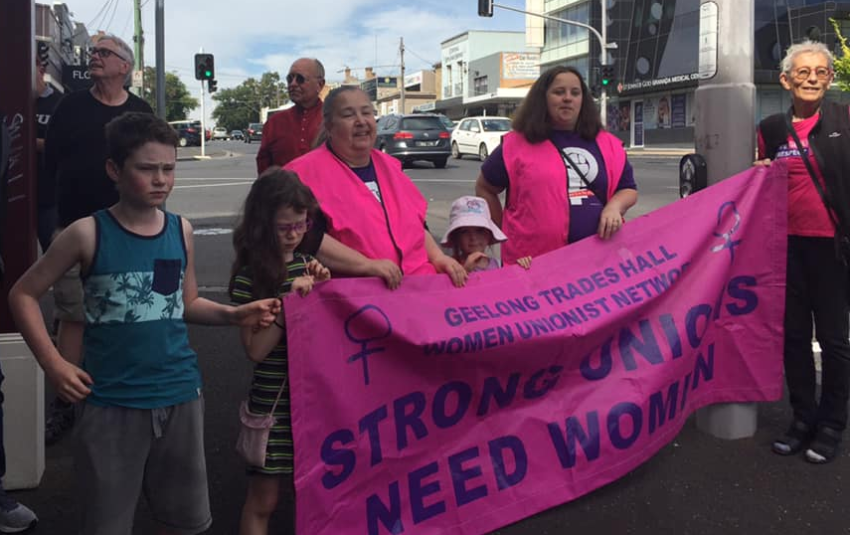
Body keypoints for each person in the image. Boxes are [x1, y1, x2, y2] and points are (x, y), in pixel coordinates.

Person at [9, 112, 281, 534]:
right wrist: (54, 364)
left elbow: (183, 302)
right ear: (114, 170)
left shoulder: (181, 230)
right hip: (112, 404)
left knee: (185, 521)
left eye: (168, 169)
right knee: (107, 522)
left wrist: (233, 314)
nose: (161, 180)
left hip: (180, 396)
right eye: (147, 169)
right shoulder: (86, 234)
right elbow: (23, 294)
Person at [43, 33, 153, 445]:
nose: (95, 57)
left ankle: (120, 392)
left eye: (104, 53)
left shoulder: (140, 112)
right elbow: (51, 161)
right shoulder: (70, 105)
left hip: (128, 228)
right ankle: (65, 403)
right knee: (72, 315)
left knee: (127, 310)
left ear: (124, 66)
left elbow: (154, 162)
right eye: (94, 52)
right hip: (73, 225)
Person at [755, 40, 850, 464]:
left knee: (833, 341)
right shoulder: (772, 128)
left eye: (821, 72)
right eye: (804, 71)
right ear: (785, 79)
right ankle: (801, 419)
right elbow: (758, 183)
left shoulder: (845, 119)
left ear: (830, 78)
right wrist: (757, 173)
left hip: (833, 249)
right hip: (784, 249)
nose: (812, 78)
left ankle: (831, 425)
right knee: (793, 338)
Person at [230, 170, 331, 535]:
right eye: (284, 227)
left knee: (319, 495)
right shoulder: (250, 277)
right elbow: (255, 351)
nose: (293, 234)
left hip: (314, 401)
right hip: (274, 404)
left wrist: (322, 291)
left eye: (301, 225)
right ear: (261, 226)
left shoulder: (307, 265)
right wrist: (292, 304)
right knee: (264, 500)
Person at [286, 85, 467, 288]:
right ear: (329, 126)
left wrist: (438, 258)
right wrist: (367, 265)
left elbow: (416, 225)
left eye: (367, 113)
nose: (361, 121)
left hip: (418, 286)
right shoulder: (303, 174)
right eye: (348, 115)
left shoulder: (391, 167)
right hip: (355, 295)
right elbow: (306, 237)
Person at [475, 66, 638, 266]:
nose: (567, 98)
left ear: (583, 100)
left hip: (600, 262)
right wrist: (501, 233)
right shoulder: (516, 145)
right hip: (535, 265)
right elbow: (485, 187)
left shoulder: (608, 144)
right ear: (542, 99)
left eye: (575, 93)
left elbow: (628, 188)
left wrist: (615, 207)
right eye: (559, 92)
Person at [256, 58, 326, 174]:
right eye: (290, 79)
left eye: (300, 79)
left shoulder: (334, 120)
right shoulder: (274, 123)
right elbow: (264, 170)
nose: (293, 84)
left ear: (320, 84)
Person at [440, 195, 531, 273]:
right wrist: (465, 271)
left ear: (489, 234)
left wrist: (521, 267)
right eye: (464, 232)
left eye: (479, 230)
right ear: (456, 237)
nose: (473, 237)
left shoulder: (500, 266)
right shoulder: (450, 267)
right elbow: (447, 291)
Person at [35, 48, 62, 253]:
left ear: (40, 68)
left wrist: (33, 143)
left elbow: (64, 145)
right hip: (13, 189)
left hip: (47, 192)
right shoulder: (12, 100)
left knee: (53, 250)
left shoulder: (59, 103)